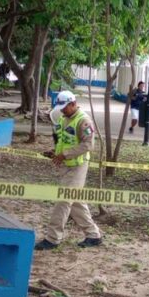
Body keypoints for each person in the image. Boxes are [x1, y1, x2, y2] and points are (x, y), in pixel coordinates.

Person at [37, 90, 103, 250]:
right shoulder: (63, 118)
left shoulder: (84, 121)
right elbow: (64, 140)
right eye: (61, 107)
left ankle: (52, 239)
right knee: (75, 202)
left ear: (73, 104)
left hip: (77, 166)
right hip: (66, 166)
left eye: (65, 107)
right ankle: (94, 235)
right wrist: (55, 152)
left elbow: (88, 145)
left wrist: (64, 154)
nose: (62, 110)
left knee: (64, 200)